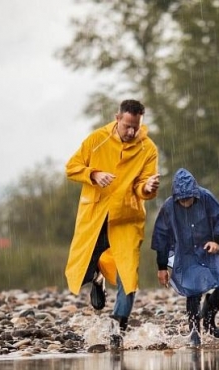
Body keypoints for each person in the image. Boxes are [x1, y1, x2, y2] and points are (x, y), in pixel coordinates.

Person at [64, 99, 160, 349]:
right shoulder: (97, 139)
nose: (132, 131)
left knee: (128, 276)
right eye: (127, 125)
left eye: (136, 126)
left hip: (127, 218)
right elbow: (72, 168)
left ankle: (118, 328)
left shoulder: (148, 148)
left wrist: (148, 187)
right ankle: (97, 277)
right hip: (96, 215)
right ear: (117, 118)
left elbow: (143, 186)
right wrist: (94, 174)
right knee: (81, 270)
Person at [151, 168, 219, 347]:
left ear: (195, 194)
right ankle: (194, 332)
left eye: (189, 199)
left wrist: (216, 241)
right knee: (192, 292)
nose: (185, 202)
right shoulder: (169, 207)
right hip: (186, 253)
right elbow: (161, 236)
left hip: (207, 249)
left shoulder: (206, 197)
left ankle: (209, 316)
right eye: (181, 200)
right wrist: (162, 267)